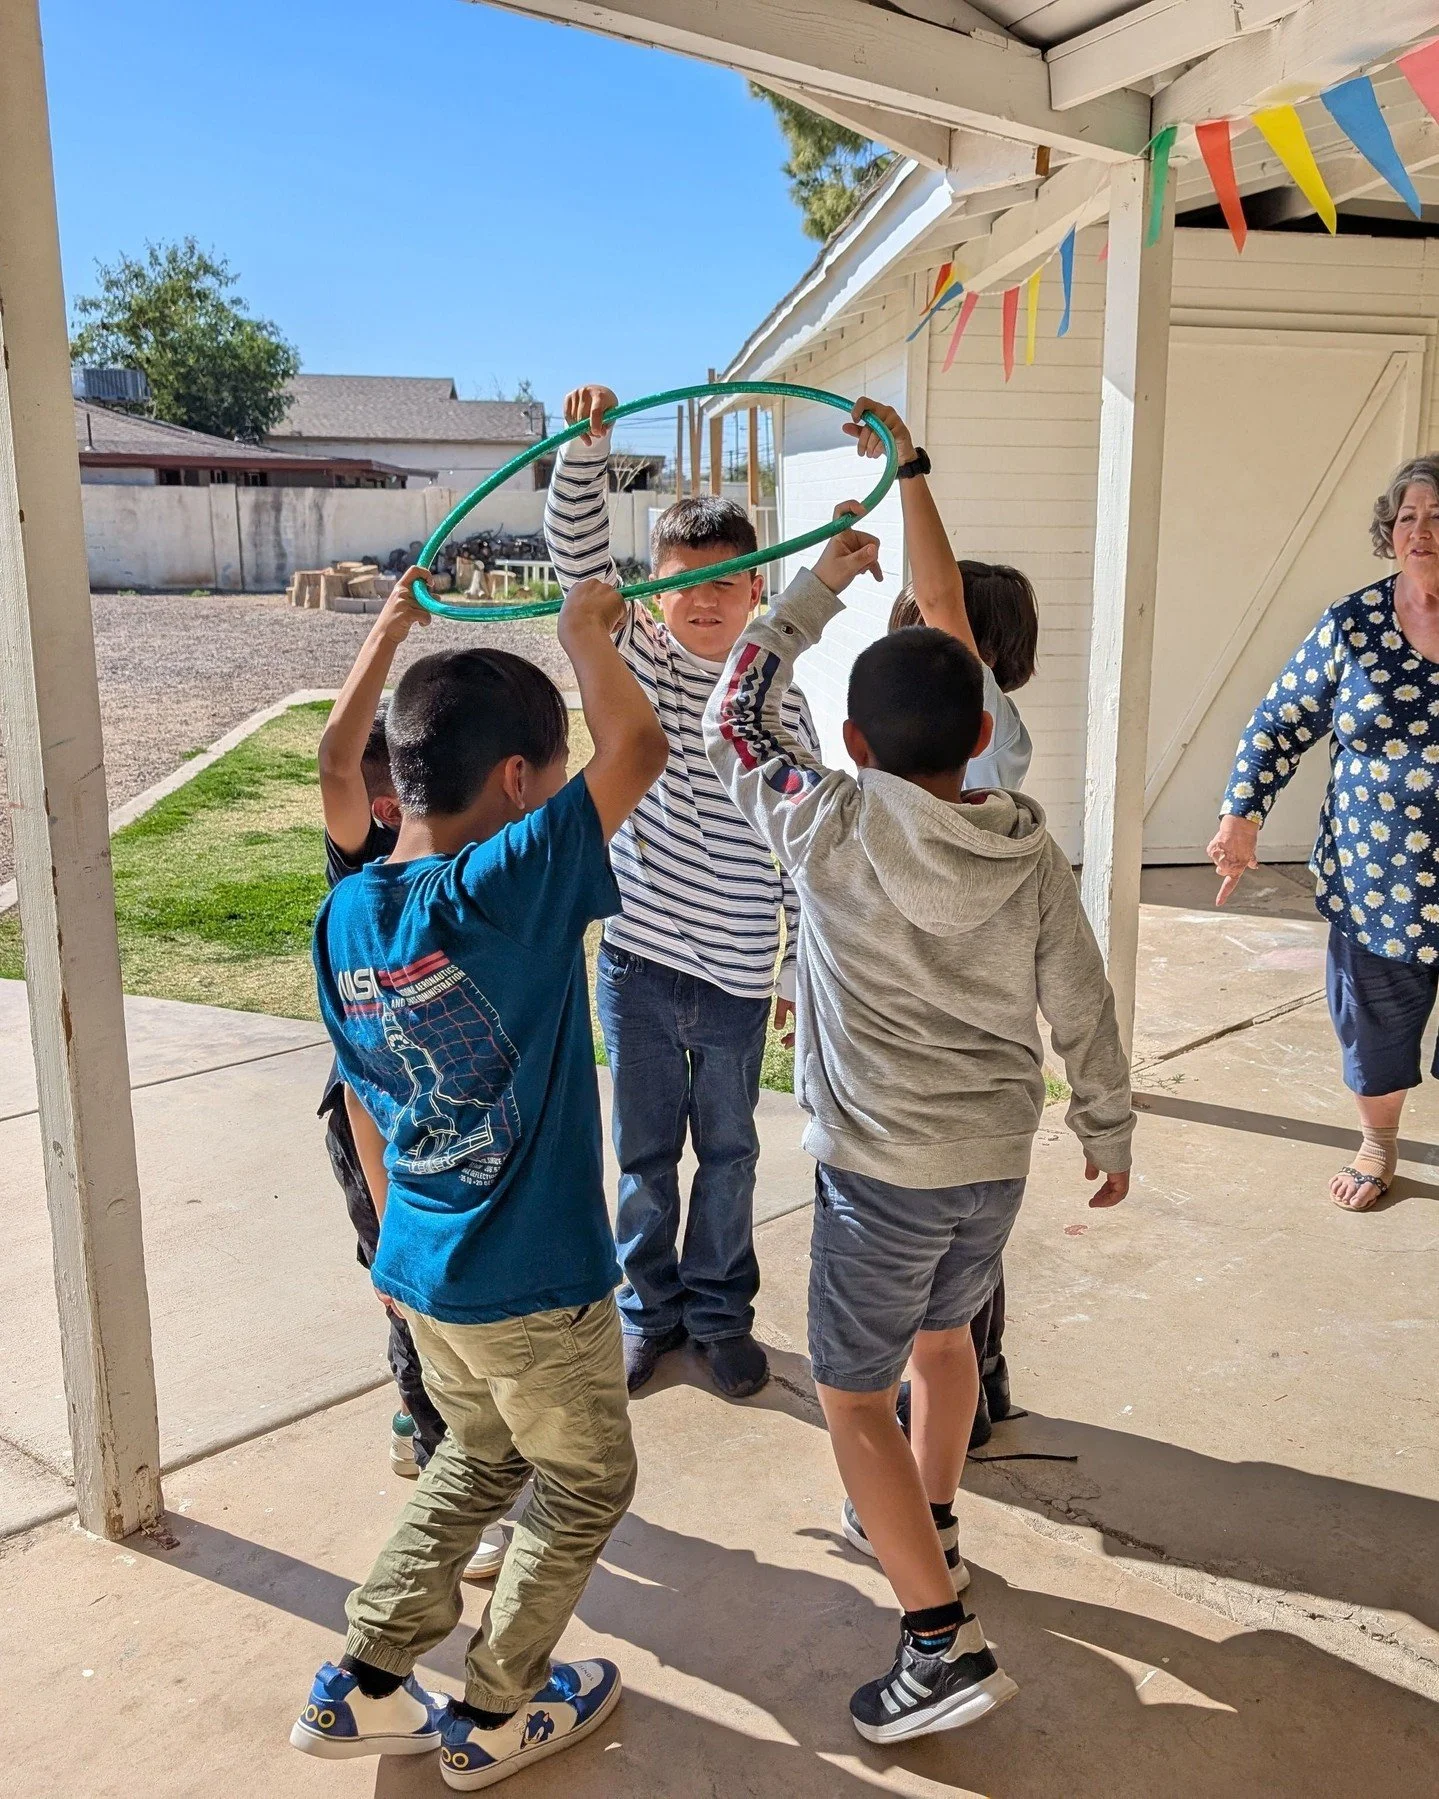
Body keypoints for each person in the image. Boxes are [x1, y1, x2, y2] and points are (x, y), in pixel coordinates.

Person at [704, 398, 1133, 1744]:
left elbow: (731, 713)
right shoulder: (1020, 837)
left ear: (853, 743)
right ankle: (929, 1518)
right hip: (987, 1169)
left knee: (845, 1391)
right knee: (943, 1344)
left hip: (874, 1177)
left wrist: (809, 595)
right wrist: (1106, 1119)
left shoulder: (820, 827)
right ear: (979, 733)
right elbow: (1079, 990)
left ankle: (935, 1637)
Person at [290, 575, 667, 1788]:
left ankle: (363, 1678)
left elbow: (358, 1087)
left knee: (479, 1458)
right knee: (586, 1473)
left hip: (426, 1266)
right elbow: (642, 745)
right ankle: (500, 1705)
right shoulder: (502, 887)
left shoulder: (346, 915)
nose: (559, 792)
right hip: (530, 1279)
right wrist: (579, 637)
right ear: (516, 780)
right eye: (548, 775)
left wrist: (398, 1238)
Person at [543, 381, 820, 1400]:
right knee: (643, 1153)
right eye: (682, 581)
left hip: (742, 970)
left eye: (726, 583)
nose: (703, 600)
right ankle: (643, 1309)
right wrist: (589, 445)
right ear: (652, 590)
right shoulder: (635, 659)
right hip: (640, 961)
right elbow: (577, 562)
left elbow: (806, 846)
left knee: (734, 1150)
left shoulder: (769, 691)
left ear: (758, 592)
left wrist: (795, 967)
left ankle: (717, 1312)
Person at [316, 573, 507, 1581]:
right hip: (378, 1119)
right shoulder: (367, 865)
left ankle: (423, 1421)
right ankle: (441, 1462)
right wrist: (389, 628)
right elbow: (335, 756)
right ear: (389, 804)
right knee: (407, 1292)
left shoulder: (481, 868)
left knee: (449, 1297)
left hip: (462, 1116)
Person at [1211, 454, 1439, 1211]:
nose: (1420, 529)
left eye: (1436, 515)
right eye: (1407, 516)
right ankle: (1377, 1143)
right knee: (1372, 1021)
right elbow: (1280, 721)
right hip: (1378, 880)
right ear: (1388, 531)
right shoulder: (1353, 623)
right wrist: (1240, 814)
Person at [888, 552, 1040, 1448]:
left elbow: (944, 611)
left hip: (938, 1024)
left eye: (923, 624)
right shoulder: (964, 736)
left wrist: (907, 470)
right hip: (960, 1012)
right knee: (969, 1234)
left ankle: (940, 1405)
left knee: (929, 1242)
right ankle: (981, 1382)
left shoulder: (979, 723)